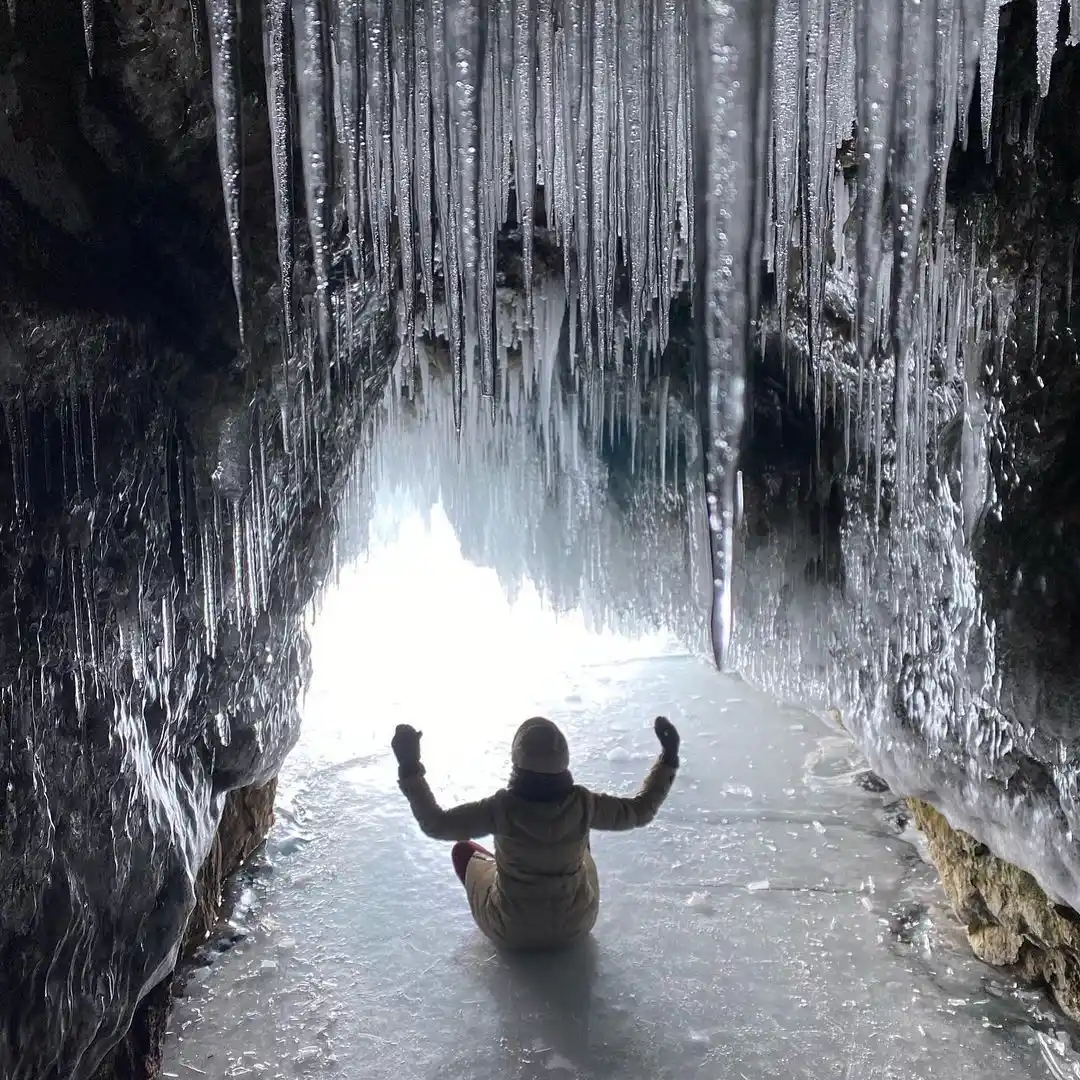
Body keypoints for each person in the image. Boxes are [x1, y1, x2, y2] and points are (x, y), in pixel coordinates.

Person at [391, 714, 680, 951]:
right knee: (581, 840)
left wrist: (409, 767)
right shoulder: (584, 803)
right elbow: (640, 811)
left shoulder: (500, 808)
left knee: (462, 850)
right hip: (576, 925)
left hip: (511, 930)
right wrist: (668, 759)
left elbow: (436, 824)